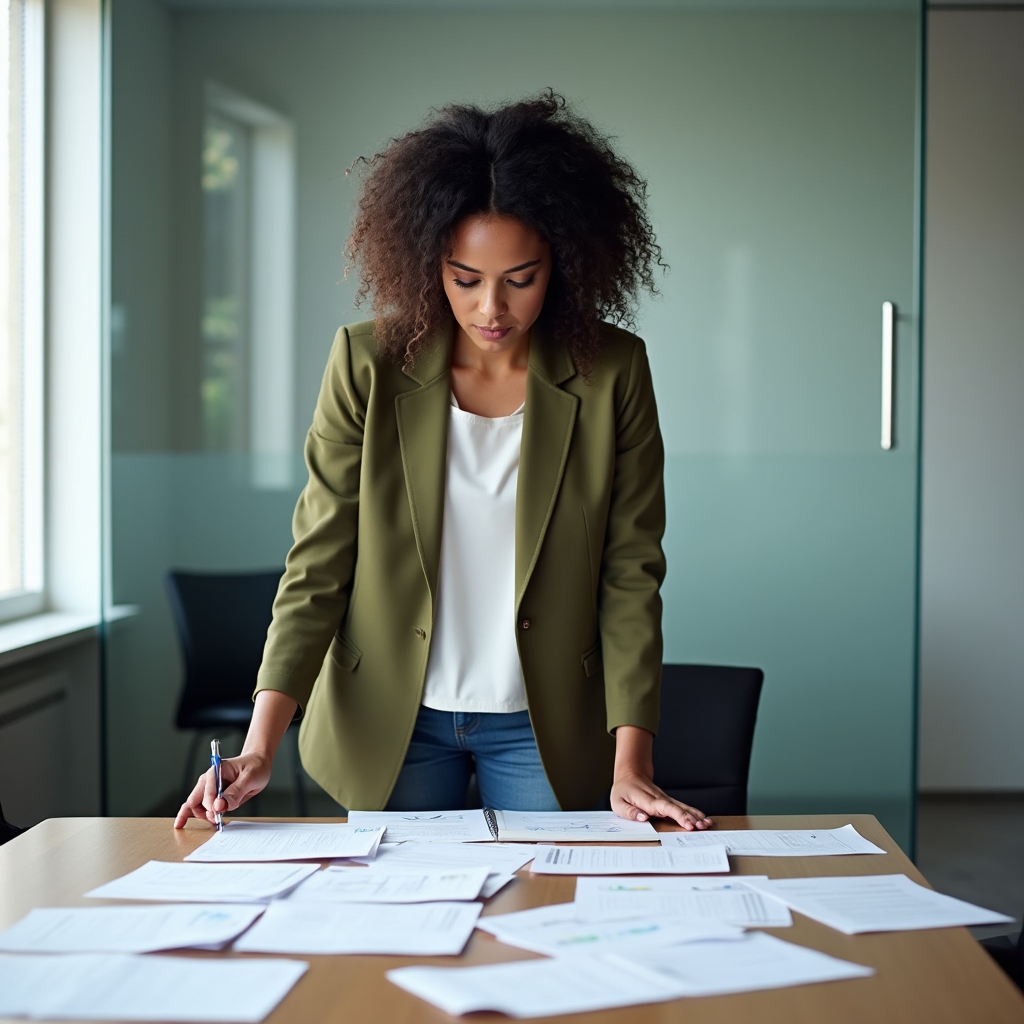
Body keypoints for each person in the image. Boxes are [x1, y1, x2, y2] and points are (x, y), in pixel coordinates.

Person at [175, 91, 713, 833]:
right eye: (465, 278)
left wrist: (632, 764)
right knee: (396, 933)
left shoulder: (612, 370)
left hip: (545, 723)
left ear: (564, 259)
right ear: (428, 260)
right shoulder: (366, 363)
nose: (492, 307)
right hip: (391, 719)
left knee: (546, 922)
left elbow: (629, 572)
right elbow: (319, 561)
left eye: (519, 278)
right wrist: (261, 745)